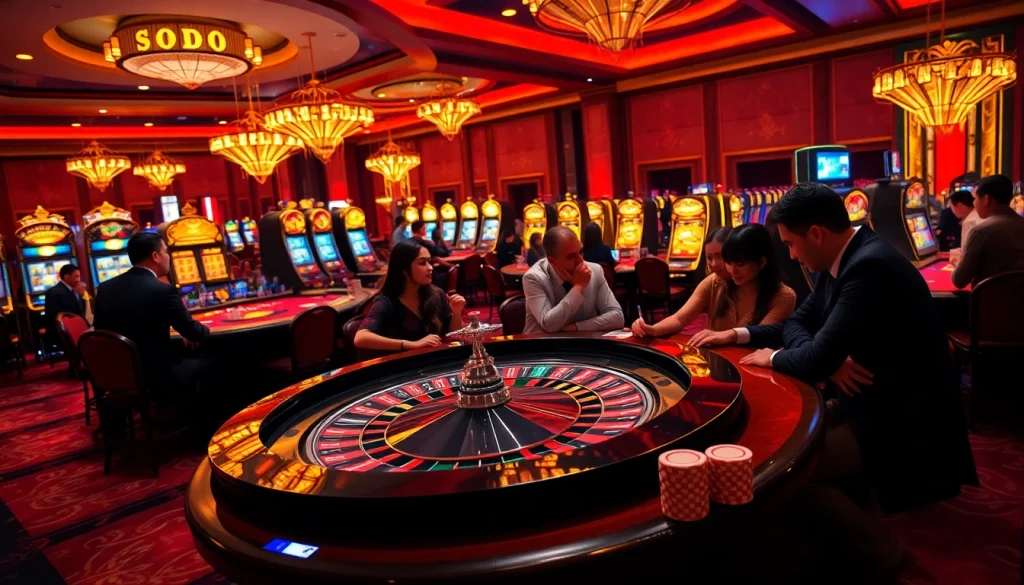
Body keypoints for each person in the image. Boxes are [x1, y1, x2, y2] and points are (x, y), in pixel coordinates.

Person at [691, 183, 977, 581]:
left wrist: (786, 356)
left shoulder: (867, 266)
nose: (789, 255)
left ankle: (884, 555)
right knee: (793, 442)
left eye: (790, 244)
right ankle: (835, 528)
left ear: (816, 234)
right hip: (868, 396)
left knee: (790, 472)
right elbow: (799, 325)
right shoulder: (844, 258)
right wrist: (737, 336)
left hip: (902, 415)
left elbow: (813, 357)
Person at [93, 232, 210, 396]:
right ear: (155, 256)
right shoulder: (163, 289)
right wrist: (208, 328)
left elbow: (101, 332)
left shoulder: (105, 288)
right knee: (214, 362)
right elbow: (193, 332)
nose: (168, 257)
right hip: (157, 373)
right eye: (166, 252)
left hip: (116, 373)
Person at [632, 225, 795, 338]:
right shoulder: (715, 282)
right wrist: (651, 329)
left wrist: (725, 336)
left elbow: (756, 338)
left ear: (761, 262)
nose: (732, 270)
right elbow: (679, 319)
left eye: (740, 263)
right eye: (729, 262)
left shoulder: (783, 296)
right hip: (718, 365)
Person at [355, 240, 466, 353]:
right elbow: (360, 338)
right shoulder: (387, 302)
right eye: (422, 263)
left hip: (434, 362)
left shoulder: (437, 294)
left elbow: (453, 336)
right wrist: (411, 345)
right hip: (405, 366)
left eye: (429, 262)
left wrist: (456, 313)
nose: (430, 267)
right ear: (404, 270)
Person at [523, 226, 624, 334]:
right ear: (551, 261)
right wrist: (578, 287)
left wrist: (575, 327)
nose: (581, 261)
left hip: (582, 346)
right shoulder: (533, 278)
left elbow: (617, 317)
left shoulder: (595, 270)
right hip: (542, 347)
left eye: (580, 252)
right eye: (571, 257)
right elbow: (549, 325)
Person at [952, 174, 1024, 289]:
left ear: (986, 199)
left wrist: (957, 261)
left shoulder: (981, 231)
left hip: (990, 304)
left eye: (975, 199)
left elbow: (959, 281)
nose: (974, 204)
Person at [44, 264, 86, 349]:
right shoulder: (55, 292)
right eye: (76, 276)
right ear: (66, 277)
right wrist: (78, 295)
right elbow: (70, 313)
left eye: (79, 276)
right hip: (63, 331)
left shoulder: (74, 289)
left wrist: (81, 295)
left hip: (76, 326)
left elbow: (82, 312)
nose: (79, 280)